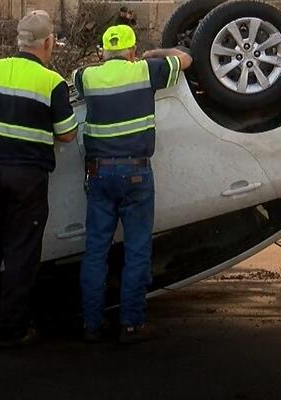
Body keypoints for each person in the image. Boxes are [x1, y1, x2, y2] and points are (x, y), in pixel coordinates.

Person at [0, 10, 78, 348]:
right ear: (49, 42)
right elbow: (67, 135)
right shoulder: (51, 82)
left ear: (18, 41)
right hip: (26, 178)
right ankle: (11, 330)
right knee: (21, 255)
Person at [74, 24, 192, 344]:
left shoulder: (87, 76)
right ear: (132, 51)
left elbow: (75, 79)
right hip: (136, 173)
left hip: (98, 174)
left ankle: (91, 325)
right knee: (137, 250)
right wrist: (157, 54)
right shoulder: (146, 70)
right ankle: (131, 323)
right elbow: (185, 59)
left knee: (96, 251)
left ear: (102, 52)